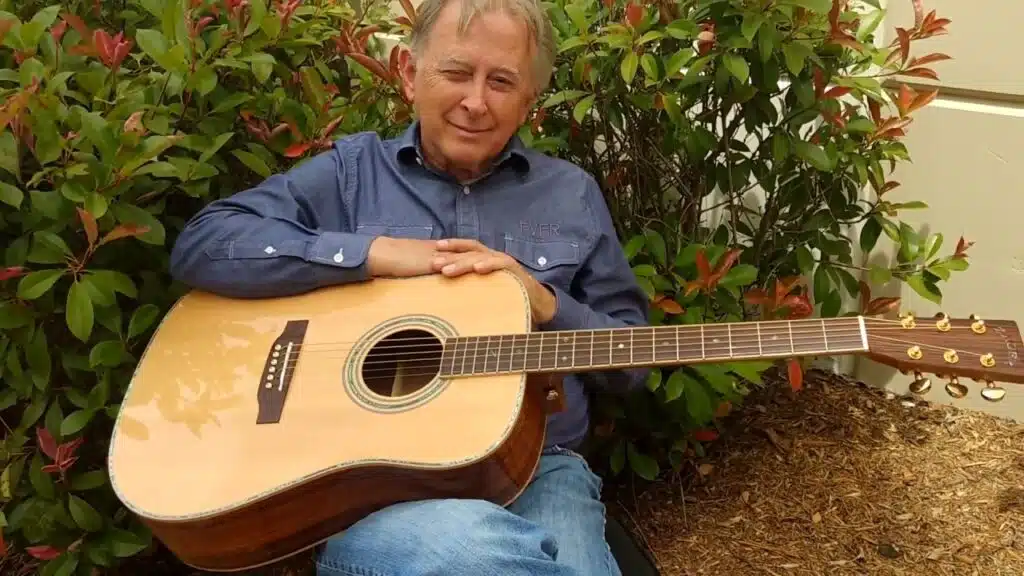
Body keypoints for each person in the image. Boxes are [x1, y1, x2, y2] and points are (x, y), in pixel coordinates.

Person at [168, 0, 649, 573]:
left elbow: (631, 364)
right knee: (476, 552)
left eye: (501, 82)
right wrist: (371, 254)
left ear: (529, 103)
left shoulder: (571, 194)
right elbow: (205, 241)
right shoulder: (350, 175)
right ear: (407, 73)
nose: (475, 101)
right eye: (455, 72)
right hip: (371, 480)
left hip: (541, 466)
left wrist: (544, 301)